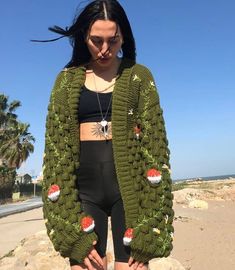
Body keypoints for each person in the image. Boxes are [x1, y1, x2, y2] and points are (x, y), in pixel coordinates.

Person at [42, 1, 174, 270]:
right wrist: (68, 229)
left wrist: (150, 231)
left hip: (131, 194)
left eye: (113, 41)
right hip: (85, 194)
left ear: (123, 36)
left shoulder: (139, 77)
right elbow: (56, 158)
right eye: (96, 40)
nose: (104, 50)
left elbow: (156, 148)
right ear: (84, 37)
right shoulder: (65, 82)